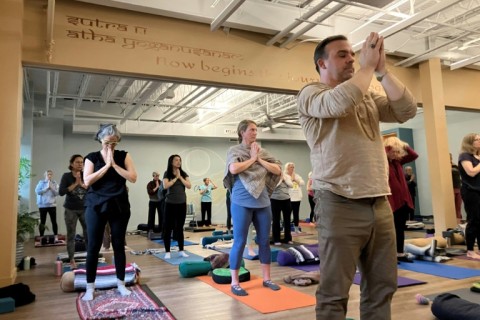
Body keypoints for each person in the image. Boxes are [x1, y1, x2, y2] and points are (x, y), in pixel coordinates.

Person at [297, 32, 417, 319]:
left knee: (382, 287)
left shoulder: (366, 96)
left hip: (379, 203)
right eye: (342, 54)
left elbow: (406, 109)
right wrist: (366, 67)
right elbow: (340, 103)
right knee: (334, 292)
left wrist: (382, 70)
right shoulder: (311, 94)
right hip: (339, 202)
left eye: (352, 53)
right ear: (322, 64)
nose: (351, 58)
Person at [223, 119, 282, 296]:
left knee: (264, 241)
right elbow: (233, 169)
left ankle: (267, 279)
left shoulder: (262, 151)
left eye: (256, 130)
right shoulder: (234, 150)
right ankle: (235, 282)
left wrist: (259, 159)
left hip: (262, 201)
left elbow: (277, 170)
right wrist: (252, 159)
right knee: (240, 241)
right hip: (241, 200)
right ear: (242, 132)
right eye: (252, 130)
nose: (255, 133)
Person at [81, 123, 137, 301]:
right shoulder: (91, 157)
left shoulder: (124, 155)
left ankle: (121, 283)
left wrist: (114, 165)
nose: (110, 146)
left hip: (119, 204)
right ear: (100, 139)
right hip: (96, 204)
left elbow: (133, 177)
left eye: (114, 143)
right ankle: (90, 287)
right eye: (107, 142)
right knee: (93, 246)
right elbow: (87, 180)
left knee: (118, 245)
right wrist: (106, 166)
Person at [384, 137, 418, 263]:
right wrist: (389, 144)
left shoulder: (398, 162)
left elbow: (414, 155)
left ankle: (400, 253)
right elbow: (382, 151)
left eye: (398, 151)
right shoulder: (382, 162)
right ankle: (390, 255)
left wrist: (402, 144)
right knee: (390, 230)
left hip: (403, 201)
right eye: (393, 151)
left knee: (400, 228)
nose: (396, 154)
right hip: (391, 201)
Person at [59, 155, 88, 269]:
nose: (80, 164)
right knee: (71, 235)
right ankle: (72, 260)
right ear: (71, 164)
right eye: (77, 162)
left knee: (88, 234)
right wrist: (76, 183)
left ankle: (90, 257)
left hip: (85, 209)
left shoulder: (86, 175)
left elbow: (92, 190)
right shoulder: (66, 176)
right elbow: (61, 192)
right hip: (71, 209)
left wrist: (82, 184)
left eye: (82, 162)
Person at [162, 154, 191, 259]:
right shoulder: (167, 173)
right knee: (168, 228)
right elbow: (165, 186)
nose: (179, 162)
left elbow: (189, 185)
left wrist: (180, 178)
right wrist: (175, 178)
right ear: (171, 162)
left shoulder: (183, 173)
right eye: (176, 160)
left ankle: (181, 250)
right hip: (170, 204)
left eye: (180, 160)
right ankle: (167, 252)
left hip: (181, 203)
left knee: (179, 228)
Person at [458, 133, 480, 260]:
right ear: (470, 142)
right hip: (470, 191)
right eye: (477, 139)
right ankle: (470, 250)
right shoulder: (465, 156)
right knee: (474, 220)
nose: (479, 141)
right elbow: (471, 172)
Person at [35, 170, 60, 242]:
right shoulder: (41, 182)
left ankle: (56, 236)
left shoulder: (54, 183)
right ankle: (41, 237)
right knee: (42, 222)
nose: (49, 176)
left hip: (52, 205)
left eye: (50, 174)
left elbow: (57, 193)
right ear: (45, 175)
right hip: (42, 205)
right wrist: (46, 188)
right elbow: (37, 191)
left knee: (54, 221)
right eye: (48, 174)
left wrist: (52, 188)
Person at [270, 172, 293, 245]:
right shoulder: (271, 176)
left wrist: (284, 179)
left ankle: (288, 238)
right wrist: (280, 180)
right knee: (276, 220)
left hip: (286, 199)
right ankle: (276, 239)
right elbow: (273, 186)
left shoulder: (286, 176)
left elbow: (291, 185)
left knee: (287, 220)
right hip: (275, 199)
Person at [285, 162, 305, 233]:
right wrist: (291, 180)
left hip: (297, 198)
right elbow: (288, 184)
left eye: (293, 167)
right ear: (287, 168)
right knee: (287, 214)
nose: (292, 168)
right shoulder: (285, 176)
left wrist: (295, 180)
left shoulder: (297, 175)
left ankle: (296, 228)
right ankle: (286, 228)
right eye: (291, 167)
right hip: (288, 197)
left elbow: (302, 183)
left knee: (296, 213)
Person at [146, 171, 163, 238]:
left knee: (161, 216)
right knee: (151, 216)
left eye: (158, 176)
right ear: (153, 176)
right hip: (152, 201)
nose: (157, 177)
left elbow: (164, 191)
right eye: (155, 176)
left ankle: (161, 229)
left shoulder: (161, 182)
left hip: (160, 201)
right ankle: (150, 230)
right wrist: (156, 187)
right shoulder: (150, 184)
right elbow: (150, 192)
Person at [450, 153, 463, 224]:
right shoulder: (444, 168)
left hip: (458, 188)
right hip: (451, 189)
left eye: (450, 157)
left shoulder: (455, 166)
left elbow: (459, 176)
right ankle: (452, 223)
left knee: (458, 208)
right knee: (452, 208)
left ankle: (458, 224)